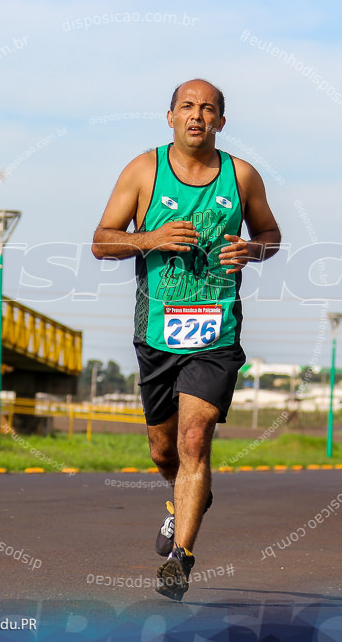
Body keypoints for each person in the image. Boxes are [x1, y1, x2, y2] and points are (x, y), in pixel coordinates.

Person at [92, 79, 281, 600]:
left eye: (209, 109)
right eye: (188, 107)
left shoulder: (241, 176)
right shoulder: (143, 170)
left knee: (195, 440)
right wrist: (147, 239)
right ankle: (182, 499)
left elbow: (271, 236)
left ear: (222, 121)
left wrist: (251, 251)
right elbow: (101, 241)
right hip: (157, 329)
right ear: (170, 116)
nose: (197, 116)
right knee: (162, 450)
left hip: (215, 329)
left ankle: (181, 559)